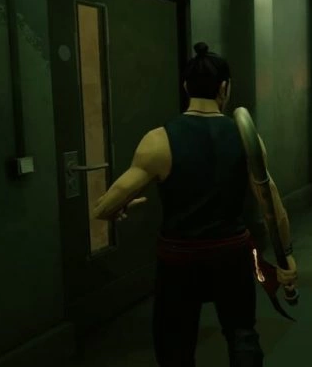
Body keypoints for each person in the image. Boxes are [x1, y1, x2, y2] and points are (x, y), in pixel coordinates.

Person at [90, 42, 297, 367]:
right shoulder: (246, 138)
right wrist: (287, 255)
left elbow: (102, 210)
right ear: (224, 88)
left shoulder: (158, 140)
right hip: (231, 256)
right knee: (242, 335)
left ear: (186, 87)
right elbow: (271, 204)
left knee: (175, 346)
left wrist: (118, 208)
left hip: (179, 260)